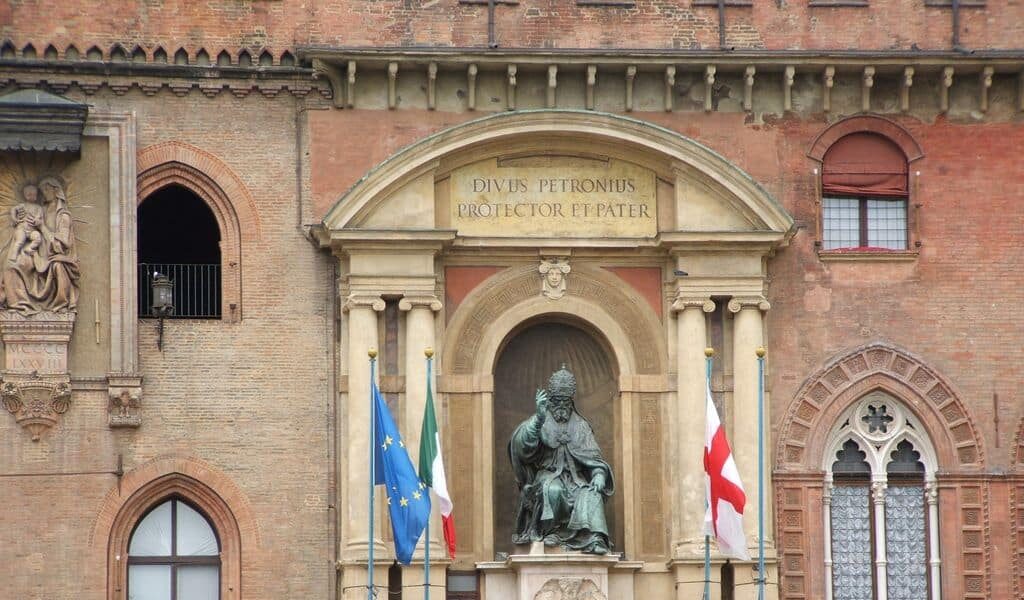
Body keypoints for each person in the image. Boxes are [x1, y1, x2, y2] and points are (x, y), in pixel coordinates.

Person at [509, 365, 613, 554]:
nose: (561, 406)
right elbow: (523, 448)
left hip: (576, 481)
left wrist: (598, 475)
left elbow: (594, 458)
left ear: (571, 401)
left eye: (565, 401)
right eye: (557, 401)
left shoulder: (581, 426)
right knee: (554, 491)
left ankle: (595, 539)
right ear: (550, 401)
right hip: (546, 477)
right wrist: (538, 420)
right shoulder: (540, 420)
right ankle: (551, 533)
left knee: (592, 494)